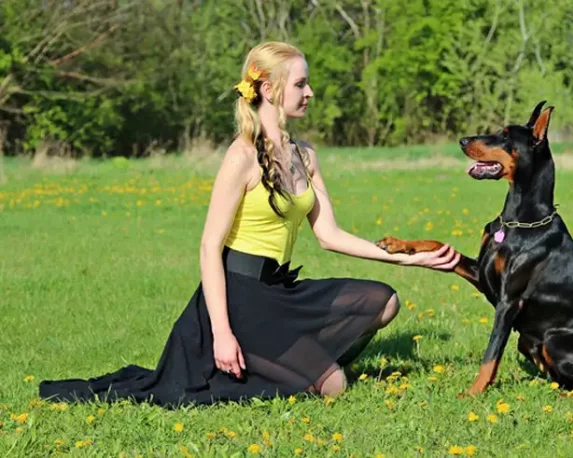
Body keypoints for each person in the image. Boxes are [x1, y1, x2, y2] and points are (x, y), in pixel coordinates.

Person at [39, 41, 460, 408]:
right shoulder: (240, 157)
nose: (310, 92)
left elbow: (328, 235)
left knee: (384, 300)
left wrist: (408, 260)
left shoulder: (305, 155)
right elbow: (209, 247)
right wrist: (221, 332)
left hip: (280, 289)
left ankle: (289, 357)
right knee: (334, 385)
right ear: (269, 89)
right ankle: (256, 363)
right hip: (239, 298)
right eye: (300, 84)